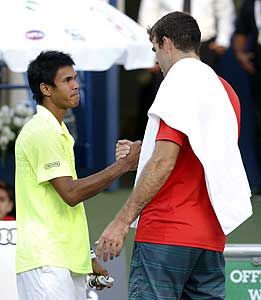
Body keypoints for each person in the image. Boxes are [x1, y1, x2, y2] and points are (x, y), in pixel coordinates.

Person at [96, 12, 252, 300]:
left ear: (166, 43)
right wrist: (142, 155)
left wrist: (120, 222)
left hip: (166, 233)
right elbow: (201, 153)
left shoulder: (177, 81)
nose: (156, 60)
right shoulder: (226, 90)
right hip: (210, 237)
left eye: (155, 49)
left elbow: (164, 161)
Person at [15, 50, 141, 300]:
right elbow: (71, 194)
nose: (76, 85)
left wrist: (88, 258)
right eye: (67, 80)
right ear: (46, 89)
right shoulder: (41, 131)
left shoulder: (56, 130)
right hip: (46, 263)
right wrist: (123, 165)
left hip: (64, 261)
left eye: (75, 79)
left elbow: (65, 210)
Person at [136, 0, 235, 139]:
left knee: (201, 100)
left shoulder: (222, 92)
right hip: (166, 47)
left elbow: (225, 9)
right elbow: (148, 13)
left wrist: (222, 40)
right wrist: (150, 53)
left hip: (204, 45)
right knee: (164, 103)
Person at [233, 0, 261, 174]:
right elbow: (241, 30)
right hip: (259, 63)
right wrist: (240, 54)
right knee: (259, 120)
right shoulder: (250, 3)